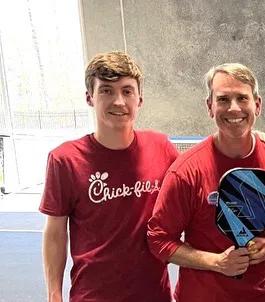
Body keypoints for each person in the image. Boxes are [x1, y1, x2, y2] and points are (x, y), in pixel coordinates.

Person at [146, 63, 265, 301]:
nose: (234, 108)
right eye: (223, 99)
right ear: (210, 106)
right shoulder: (186, 171)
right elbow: (158, 239)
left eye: (242, 98)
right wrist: (216, 262)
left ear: (257, 105)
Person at [40, 51, 177, 302]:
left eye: (127, 91)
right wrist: (54, 294)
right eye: (106, 91)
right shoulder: (65, 160)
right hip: (92, 296)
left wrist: (251, 138)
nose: (118, 101)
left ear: (140, 99)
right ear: (89, 98)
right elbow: (55, 233)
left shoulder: (161, 147)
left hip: (154, 295)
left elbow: (200, 174)